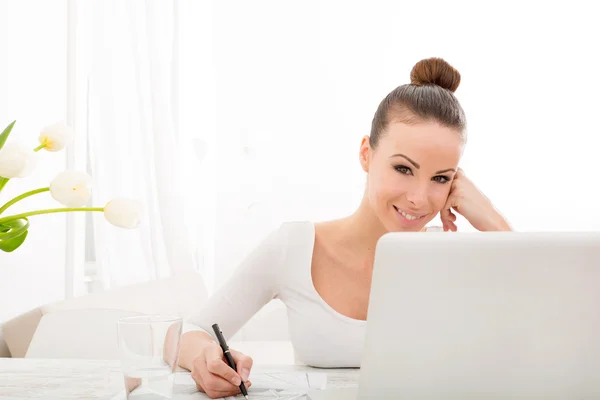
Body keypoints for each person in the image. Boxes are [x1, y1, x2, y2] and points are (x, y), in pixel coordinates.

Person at [177, 57, 512, 398]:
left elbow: (551, 330)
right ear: (367, 154)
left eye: (440, 178)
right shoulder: (294, 247)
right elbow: (192, 331)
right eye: (404, 168)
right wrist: (205, 357)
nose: (418, 199)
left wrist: (492, 220)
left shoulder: (456, 258)